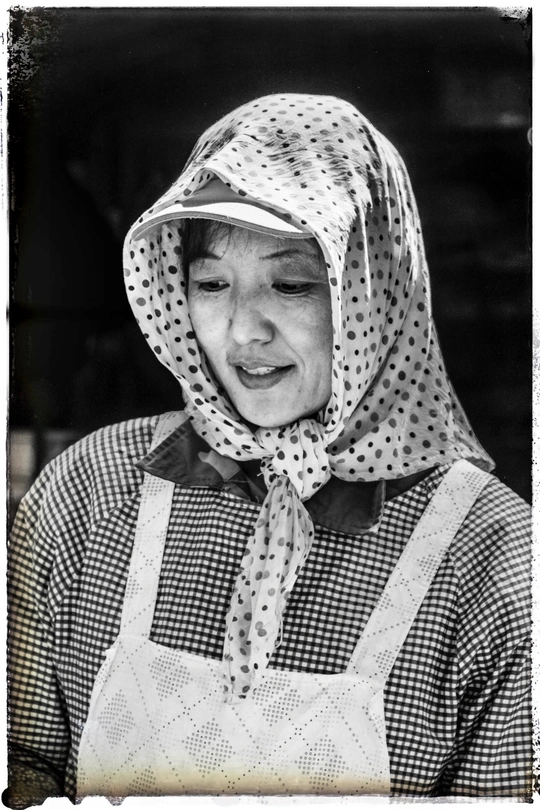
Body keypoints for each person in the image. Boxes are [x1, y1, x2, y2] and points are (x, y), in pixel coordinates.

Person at [7, 93, 531, 805]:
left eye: (290, 284)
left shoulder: (498, 559)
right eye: (211, 283)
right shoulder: (87, 492)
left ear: (374, 292)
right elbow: (20, 765)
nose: (243, 330)